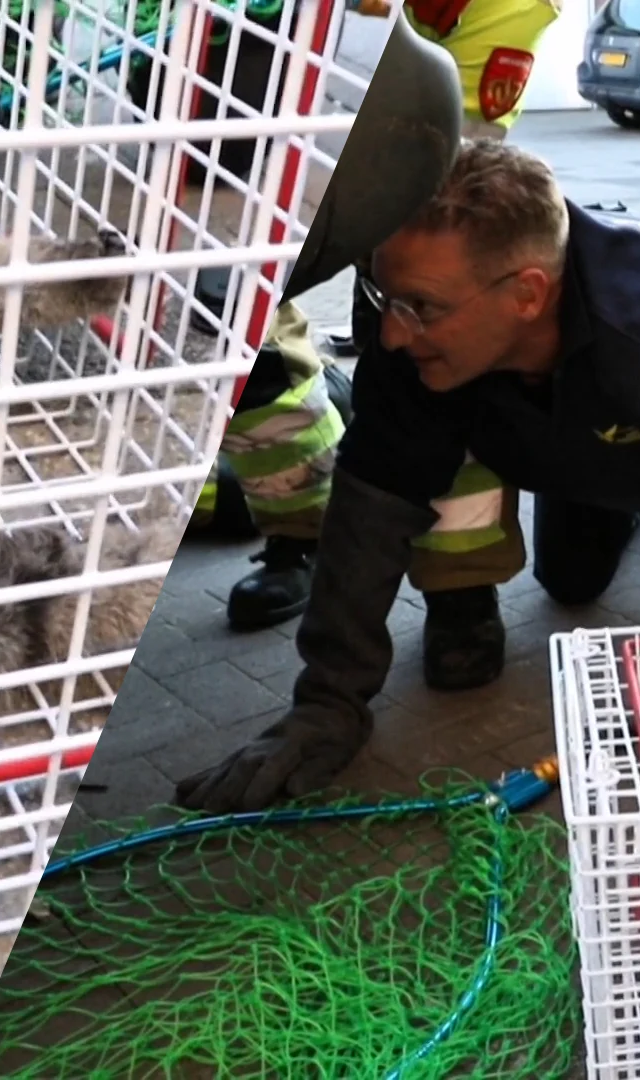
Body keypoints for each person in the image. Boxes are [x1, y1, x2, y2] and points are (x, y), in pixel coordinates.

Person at [175, 141, 640, 814]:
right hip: (593, 405)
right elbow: (370, 513)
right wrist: (328, 700)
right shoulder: (415, 321)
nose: (390, 335)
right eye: (386, 299)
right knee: (570, 583)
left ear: (529, 294)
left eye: (419, 307)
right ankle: (639, 480)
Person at [185, 0, 568, 693]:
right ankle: (300, 526)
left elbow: (456, 173)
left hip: (440, 53)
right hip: (253, 74)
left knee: (442, 328)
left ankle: (460, 583)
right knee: (232, 324)